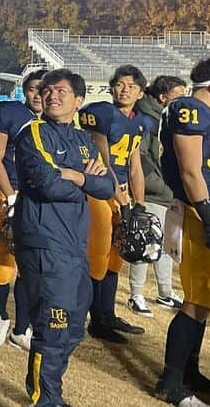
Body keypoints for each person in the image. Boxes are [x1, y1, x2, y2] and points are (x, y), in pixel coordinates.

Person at [14, 69, 114, 406]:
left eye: (62, 91)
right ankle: (46, 400)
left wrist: (73, 176)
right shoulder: (33, 134)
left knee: (73, 328)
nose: (53, 95)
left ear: (79, 100)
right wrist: (81, 180)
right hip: (45, 243)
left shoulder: (83, 140)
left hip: (74, 246)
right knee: (53, 328)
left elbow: (106, 186)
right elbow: (46, 184)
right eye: (48, 90)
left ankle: (42, 385)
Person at [153, 57, 210, 406]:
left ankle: (189, 372)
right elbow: (189, 172)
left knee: (205, 298)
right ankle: (171, 383)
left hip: (204, 207)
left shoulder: (198, 111)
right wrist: (209, 221)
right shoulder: (190, 110)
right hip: (200, 210)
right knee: (196, 299)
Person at [78, 65, 149, 342]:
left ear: (140, 92)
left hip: (122, 194)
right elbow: (102, 159)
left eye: (132, 85)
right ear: (112, 87)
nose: (125, 89)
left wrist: (138, 203)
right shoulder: (100, 113)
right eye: (120, 84)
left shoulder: (140, 121)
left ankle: (108, 314)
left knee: (117, 255)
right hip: (99, 190)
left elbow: (135, 166)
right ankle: (96, 318)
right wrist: (120, 199)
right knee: (98, 253)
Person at [0, 68, 45, 350]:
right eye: (33, 88)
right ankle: (0, 315)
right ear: (24, 90)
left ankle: (21, 329)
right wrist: (10, 196)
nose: (39, 95)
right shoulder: (9, 112)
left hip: (35, 198)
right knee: (5, 267)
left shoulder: (55, 122)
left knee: (30, 269)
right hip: (3, 193)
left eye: (44, 89)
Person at [128, 75, 188, 316]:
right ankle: (136, 295)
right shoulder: (146, 120)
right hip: (153, 191)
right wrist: (157, 186)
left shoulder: (165, 118)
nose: (184, 99)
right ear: (163, 97)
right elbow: (142, 160)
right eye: (179, 94)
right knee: (145, 243)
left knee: (166, 243)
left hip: (167, 191)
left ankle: (165, 291)